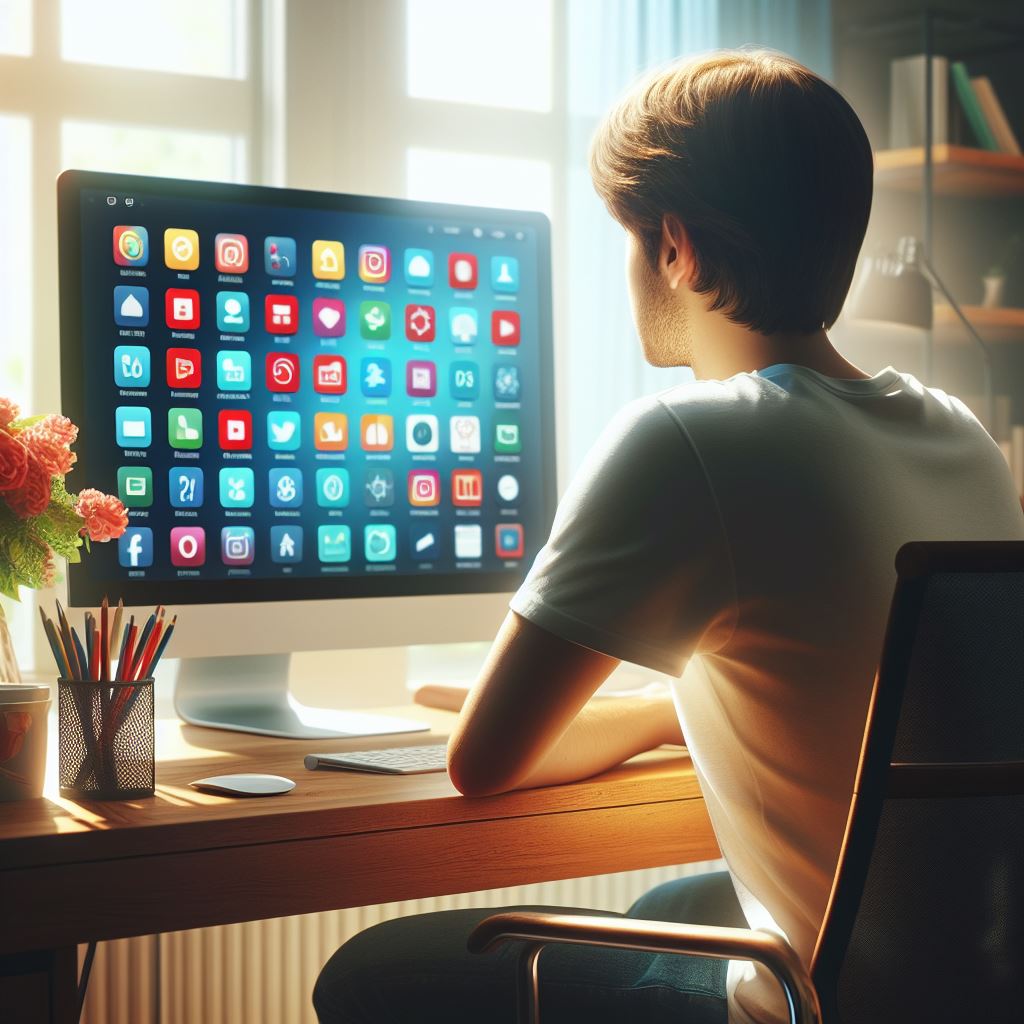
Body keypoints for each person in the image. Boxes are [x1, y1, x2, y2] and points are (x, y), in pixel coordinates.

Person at [314, 49, 1024, 1024]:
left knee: (373, 968)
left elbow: (484, 760)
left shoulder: (687, 438)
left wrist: (653, 705)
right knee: (665, 908)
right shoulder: (964, 436)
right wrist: (667, 706)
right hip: (965, 982)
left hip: (813, 1000)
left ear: (677, 249)